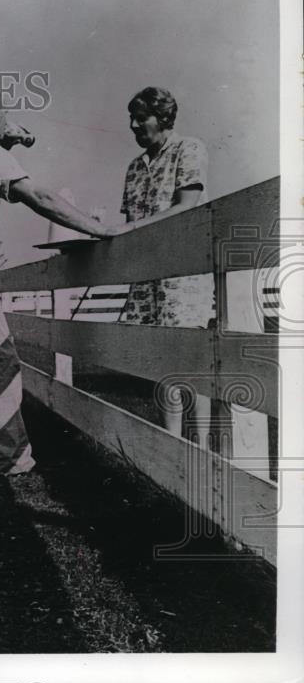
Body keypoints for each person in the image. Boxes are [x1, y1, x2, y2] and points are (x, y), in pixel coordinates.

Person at [0, 86, 127, 474]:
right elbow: (39, 197)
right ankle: (12, 457)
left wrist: (6, 141)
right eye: (5, 114)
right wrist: (97, 228)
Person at [118, 86, 213, 437]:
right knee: (159, 366)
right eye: (131, 118)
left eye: (141, 118)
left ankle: (200, 452)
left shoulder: (189, 148)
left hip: (182, 275)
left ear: (163, 118)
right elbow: (128, 223)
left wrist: (132, 229)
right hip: (146, 280)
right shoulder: (133, 167)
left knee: (189, 363)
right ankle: (170, 452)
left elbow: (186, 206)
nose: (133, 125)